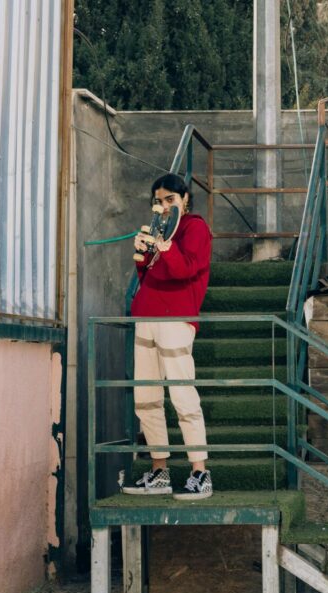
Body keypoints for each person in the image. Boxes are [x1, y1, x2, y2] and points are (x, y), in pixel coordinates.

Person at [122, 173, 214, 500]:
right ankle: (159, 469)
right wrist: (143, 254)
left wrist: (166, 247)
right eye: (159, 201)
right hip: (146, 315)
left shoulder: (195, 228)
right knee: (146, 397)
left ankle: (200, 471)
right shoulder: (159, 227)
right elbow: (149, 275)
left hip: (176, 318)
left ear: (184, 198)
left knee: (182, 394)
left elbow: (187, 269)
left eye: (170, 199)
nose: (164, 206)